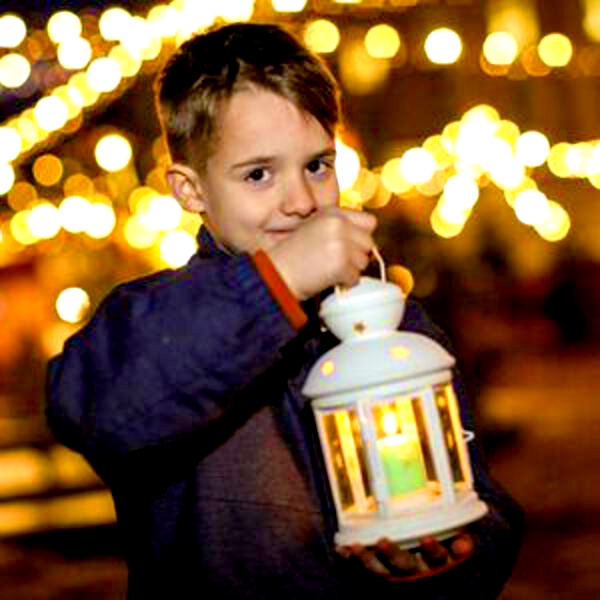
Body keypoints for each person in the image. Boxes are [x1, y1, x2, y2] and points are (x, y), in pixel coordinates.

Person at [46, 22, 523, 599]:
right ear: (191, 191)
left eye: (318, 165)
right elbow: (96, 409)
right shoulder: (152, 316)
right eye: (258, 174)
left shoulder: (397, 324)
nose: (300, 202)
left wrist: (455, 555)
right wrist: (276, 284)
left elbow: (476, 493)